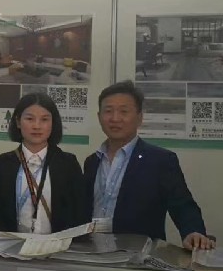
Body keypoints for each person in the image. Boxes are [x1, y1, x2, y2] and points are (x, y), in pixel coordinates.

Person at [84, 80, 215, 250]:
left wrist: (193, 232)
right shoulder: (92, 162)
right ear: (99, 117)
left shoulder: (160, 160)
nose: (115, 118)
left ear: (139, 117)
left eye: (124, 111)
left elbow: (183, 205)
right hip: (92, 253)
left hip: (138, 256)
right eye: (108, 111)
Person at [0, 92, 86, 233]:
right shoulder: (1, 164)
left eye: (44, 119)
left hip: (59, 245)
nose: (37, 126)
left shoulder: (68, 164)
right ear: (18, 122)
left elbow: (79, 213)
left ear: (53, 123)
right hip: (13, 245)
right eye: (30, 119)